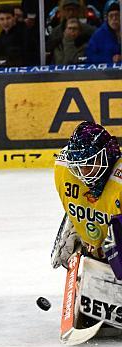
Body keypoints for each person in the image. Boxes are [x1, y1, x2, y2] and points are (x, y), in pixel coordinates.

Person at [51, 121, 122, 331]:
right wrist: (75, 227)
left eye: (89, 163)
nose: (83, 172)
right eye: (78, 165)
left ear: (106, 155)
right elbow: (76, 204)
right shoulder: (64, 170)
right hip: (97, 251)